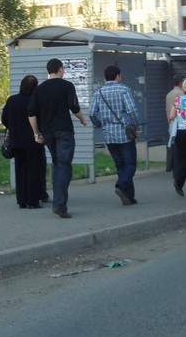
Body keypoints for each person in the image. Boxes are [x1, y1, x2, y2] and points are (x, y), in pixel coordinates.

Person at [28, 58, 87, 219]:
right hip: (64, 131)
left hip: (47, 133)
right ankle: (59, 205)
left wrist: (36, 134)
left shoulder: (39, 89)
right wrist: (82, 119)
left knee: (56, 163)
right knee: (64, 165)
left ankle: (58, 200)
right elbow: (74, 108)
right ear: (60, 70)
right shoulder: (67, 86)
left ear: (49, 70)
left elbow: (31, 114)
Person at [88, 64, 141, 206]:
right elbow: (132, 110)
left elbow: (91, 113)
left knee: (121, 166)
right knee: (130, 164)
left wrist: (99, 124)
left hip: (109, 134)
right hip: (125, 133)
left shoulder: (98, 93)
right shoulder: (123, 89)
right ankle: (121, 185)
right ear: (118, 76)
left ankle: (129, 197)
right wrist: (137, 126)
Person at [1, 75, 44, 210]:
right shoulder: (36, 100)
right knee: (33, 170)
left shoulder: (12, 100)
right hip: (33, 141)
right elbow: (41, 119)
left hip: (16, 141)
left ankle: (22, 200)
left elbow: (4, 119)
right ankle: (33, 200)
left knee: (20, 170)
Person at [164, 75, 183, 173]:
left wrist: (170, 124)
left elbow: (168, 110)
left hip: (171, 124)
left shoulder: (169, 94)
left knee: (173, 146)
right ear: (180, 82)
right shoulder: (181, 93)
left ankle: (172, 166)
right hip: (180, 124)